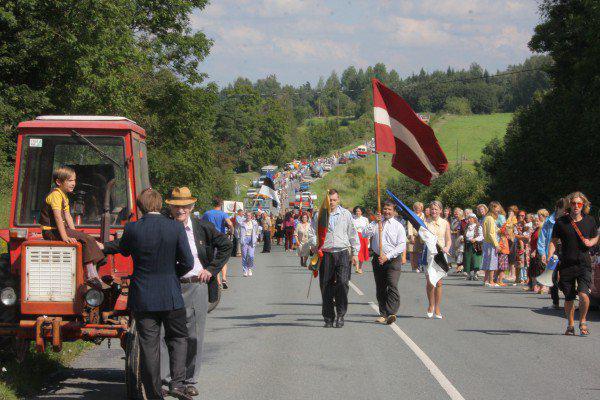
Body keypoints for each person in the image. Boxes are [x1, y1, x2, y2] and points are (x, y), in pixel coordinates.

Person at [118, 188, 194, 400]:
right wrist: (172, 274)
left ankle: (153, 394)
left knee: (149, 346)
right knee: (178, 337)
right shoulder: (175, 228)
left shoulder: (132, 228)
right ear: (161, 205)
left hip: (143, 296)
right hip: (170, 294)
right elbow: (188, 261)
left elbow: (123, 250)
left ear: (140, 207)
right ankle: (178, 384)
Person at [161, 187, 232, 397]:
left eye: (184, 206)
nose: (180, 210)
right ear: (170, 208)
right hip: (170, 285)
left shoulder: (202, 227)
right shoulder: (165, 227)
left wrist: (211, 270)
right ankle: (166, 380)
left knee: (194, 335)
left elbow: (226, 245)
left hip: (195, 285)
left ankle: (189, 380)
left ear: (192, 207)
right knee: (166, 334)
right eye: (176, 206)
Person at [40, 166, 106, 288]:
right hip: (51, 231)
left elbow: (68, 216)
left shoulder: (63, 195)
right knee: (88, 239)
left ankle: (93, 271)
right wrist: (65, 237)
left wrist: (74, 232)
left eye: (74, 180)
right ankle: (91, 275)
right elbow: (58, 217)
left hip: (59, 230)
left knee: (85, 238)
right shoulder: (55, 195)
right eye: (70, 181)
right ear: (59, 182)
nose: (74, 183)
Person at [548, 192, 598, 336]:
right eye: (574, 203)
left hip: (584, 263)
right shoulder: (561, 222)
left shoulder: (590, 221)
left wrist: (592, 241)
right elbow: (553, 241)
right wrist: (550, 256)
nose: (576, 206)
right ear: (569, 205)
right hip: (566, 264)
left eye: (579, 204)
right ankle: (570, 324)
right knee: (569, 297)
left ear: (584, 205)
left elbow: (596, 237)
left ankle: (583, 321)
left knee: (583, 294)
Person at [318, 189, 360, 328]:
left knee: (342, 283)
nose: (332, 202)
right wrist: (314, 245)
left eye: (335, 200)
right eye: (330, 200)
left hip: (342, 252)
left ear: (339, 200)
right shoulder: (320, 214)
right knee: (326, 286)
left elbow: (353, 234)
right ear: (326, 200)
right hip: (326, 253)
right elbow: (313, 231)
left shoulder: (346, 214)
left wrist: (355, 253)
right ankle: (328, 317)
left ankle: (341, 315)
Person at [362, 200, 406, 324]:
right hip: (377, 258)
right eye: (385, 209)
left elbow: (401, 245)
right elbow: (365, 234)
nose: (387, 211)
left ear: (394, 211)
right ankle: (383, 313)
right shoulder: (376, 223)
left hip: (392, 259)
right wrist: (374, 222)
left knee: (392, 284)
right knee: (381, 287)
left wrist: (388, 256)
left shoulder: (398, 226)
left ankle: (391, 312)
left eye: (389, 209)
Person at [425, 201, 451, 319]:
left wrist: (446, 247)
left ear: (441, 210)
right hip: (430, 254)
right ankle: (431, 305)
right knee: (431, 281)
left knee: (439, 283)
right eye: (432, 209)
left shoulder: (445, 223)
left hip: (441, 254)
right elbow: (422, 238)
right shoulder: (425, 223)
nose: (434, 211)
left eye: (436, 209)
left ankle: (438, 307)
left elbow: (448, 239)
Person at [537, 198, 565, 308]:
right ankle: (555, 302)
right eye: (564, 209)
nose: (566, 211)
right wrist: (543, 253)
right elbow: (542, 238)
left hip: (566, 250)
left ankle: (569, 299)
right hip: (552, 250)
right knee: (552, 276)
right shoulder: (549, 221)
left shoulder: (569, 219)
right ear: (557, 208)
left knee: (566, 276)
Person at [202, 197, 234, 289]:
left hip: (210, 238)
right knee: (222, 259)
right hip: (221, 238)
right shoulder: (223, 214)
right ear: (221, 205)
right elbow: (230, 224)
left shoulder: (207, 214)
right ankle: (224, 278)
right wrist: (231, 231)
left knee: (213, 260)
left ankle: (218, 282)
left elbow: (201, 223)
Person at [482, 201, 501, 287]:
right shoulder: (490, 218)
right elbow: (491, 233)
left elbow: (493, 230)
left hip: (487, 242)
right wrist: (496, 244)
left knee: (487, 261)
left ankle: (485, 280)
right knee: (492, 261)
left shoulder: (487, 218)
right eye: (497, 208)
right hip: (491, 243)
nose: (499, 210)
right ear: (493, 208)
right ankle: (491, 281)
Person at [463, 212, 483, 281]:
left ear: (474, 219)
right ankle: (469, 275)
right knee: (468, 259)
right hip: (467, 245)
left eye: (470, 218)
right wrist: (463, 238)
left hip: (475, 246)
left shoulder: (478, 227)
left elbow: (481, 236)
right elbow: (465, 235)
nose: (468, 220)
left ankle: (475, 274)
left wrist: (475, 239)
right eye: (468, 218)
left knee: (475, 260)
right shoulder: (466, 227)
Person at [240, 211, 260, 277]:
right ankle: (245, 270)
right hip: (244, 239)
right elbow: (237, 230)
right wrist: (239, 237)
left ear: (251, 216)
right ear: (245, 216)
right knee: (244, 255)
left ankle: (250, 268)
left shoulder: (254, 223)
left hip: (252, 239)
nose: (248, 217)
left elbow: (257, 230)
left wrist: (256, 237)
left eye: (249, 215)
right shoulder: (242, 223)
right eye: (247, 215)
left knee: (251, 255)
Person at [352, 206, 370, 274]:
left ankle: (360, 267)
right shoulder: (353, 219)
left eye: (359, 211)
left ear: (361, 212)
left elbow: (368, 230)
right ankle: (356, 267)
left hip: (363, 237)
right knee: (357, 252)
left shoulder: (365, 219)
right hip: (355, 237)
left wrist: (368, 238)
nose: (357, 212)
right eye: (356, 211)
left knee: (362, 252)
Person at [408, 202, 425, 273]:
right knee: (412, 252)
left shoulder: (423, 215)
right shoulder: (411, 214)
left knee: (419, 252)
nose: (417, 209)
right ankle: (414, 267)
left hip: (421, 236)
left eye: (419, 207)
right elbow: (409, 225)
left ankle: (419, 266)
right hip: (413, 236)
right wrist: (411, 235)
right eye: (416, 207)